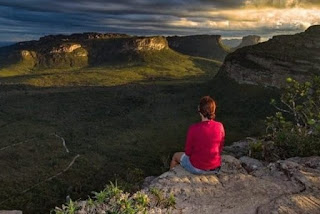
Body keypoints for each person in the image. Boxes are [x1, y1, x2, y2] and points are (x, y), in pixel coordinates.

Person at [170, 96, 225, 174]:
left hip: (198, 168)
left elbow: (188, 152)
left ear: (199, 109)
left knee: (175, 156)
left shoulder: (193, 128)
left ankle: (171, 177)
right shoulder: (220, 126)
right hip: (215, 168)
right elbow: (220, 148)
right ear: (213, 110)